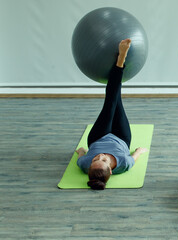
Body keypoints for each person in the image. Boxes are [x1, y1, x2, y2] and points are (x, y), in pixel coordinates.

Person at [76, 39, 147, 190]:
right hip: (121, 138)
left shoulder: (84, 165)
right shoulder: (124, 164)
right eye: (104, 160)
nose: (101, 155)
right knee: (117, 101)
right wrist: (139, 151)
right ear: (111, 170)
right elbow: (133, 159)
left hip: (98, 136)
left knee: (110, 103)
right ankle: (119, 67)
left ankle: (121, 60)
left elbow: (80, 158)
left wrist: (82, 151)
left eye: (95, 158)